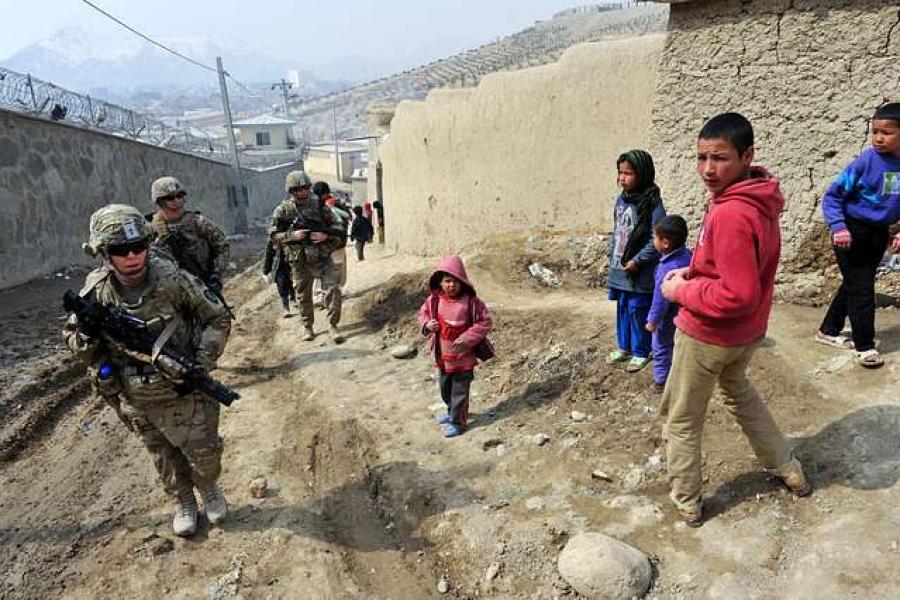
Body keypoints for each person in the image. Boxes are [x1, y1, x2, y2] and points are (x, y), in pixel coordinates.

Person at [660, 112, 811, 527]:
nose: (708, 169)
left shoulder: (731, 212)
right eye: (701, 158)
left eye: (720, 158)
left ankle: (687, 500)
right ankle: (788, 468)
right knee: (740, 393)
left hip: (710, 334)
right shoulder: (758, 198)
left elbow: (736, 293)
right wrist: (692, 272)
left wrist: (680, 291)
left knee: (682, 416)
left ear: (747, 156)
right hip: (746, 334)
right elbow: (738, 266)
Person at [63, 204, 232, 537]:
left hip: (182, 386)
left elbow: (218, 317)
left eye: (139, 246)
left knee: (204, 452)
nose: (132, 256)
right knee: (164, 456)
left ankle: (209, 489)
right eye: (120, 250)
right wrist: (85, 332)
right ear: (102, 252)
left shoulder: (172, 279)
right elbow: (74, 341)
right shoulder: (97, 291)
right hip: (135, 392)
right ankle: (184, 501)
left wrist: (200, 361)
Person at [816, 102, 900, 368]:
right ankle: (865, 346)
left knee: (855, 283)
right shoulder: (865, 162)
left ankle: (828, 330)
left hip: (878, 233)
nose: (878, 137)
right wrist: (838, 227)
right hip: (850, 231)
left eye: (886, 132)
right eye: (874, 131)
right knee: (863, 288)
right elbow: (832, 197)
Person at [418, 255, 492, 438]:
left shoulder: (472, 303)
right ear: (440, 283)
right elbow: (423, 315)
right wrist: (427, 325)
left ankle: (458, 422)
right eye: (447, 281)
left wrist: (467, 338)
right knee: (445, 389)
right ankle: (452, 411)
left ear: (463, 283)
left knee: (459, 391)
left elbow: (485, 321)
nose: (452, 285)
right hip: (442, 357)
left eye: (456, 281)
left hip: (463, 358)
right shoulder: (434, 301)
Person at [606, 149, 667, 373]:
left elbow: (657, 238)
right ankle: (624, 347)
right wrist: (611, 254)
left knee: (637, 309)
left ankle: (641, 351)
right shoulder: (621, 200)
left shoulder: (652, 203)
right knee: (622, 308)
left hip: (640, 271)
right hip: (620, 268)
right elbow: (617, 230)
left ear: (642, 174)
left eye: (628, 173)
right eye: (620, 173)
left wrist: (639, 260)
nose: (622, 178)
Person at [269, 170, 345, 342]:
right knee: (303, 295)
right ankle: (308, 327)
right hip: (299, 261)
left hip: (322, 256)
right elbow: (273, 235)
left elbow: (337, 227)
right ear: (292, 191)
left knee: (333, 290)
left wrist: (326, 237)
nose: (304, 192)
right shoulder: (283, 210)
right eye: (299, 189)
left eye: (306, 188)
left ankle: (333, 326)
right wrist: (292, 236)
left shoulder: (318, 205)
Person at [148, 176, 230, 298]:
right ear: (160, 202)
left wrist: (216, 275)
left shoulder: (198, 223)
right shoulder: (152, 230)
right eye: (170, 198)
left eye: (180, 195)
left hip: (203, 284)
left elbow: (222, 247)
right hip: (171, 292)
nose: (177, 200)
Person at [645, 215, 692, 394]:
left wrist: (652, 322)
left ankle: (661, 382)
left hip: (667, 319)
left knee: (661, 347)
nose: (653, 241)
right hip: (684, 316)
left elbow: (660, 299)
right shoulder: (688, 256)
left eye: (654, 238)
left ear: (664, 243)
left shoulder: (667, 269)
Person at [311, 181, 350, 308]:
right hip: (335, 245)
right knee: (335, 270)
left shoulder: (310, 208)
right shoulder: (336, 206)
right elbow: (344, 224)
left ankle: (321, 296)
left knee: (320, 271)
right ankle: (330, 294)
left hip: (323, 246)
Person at [262, 237, 296, 317]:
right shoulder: (272, 240)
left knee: (291, 283)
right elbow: (269, 256)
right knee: (282, 284)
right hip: (279, 267)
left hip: (292, 264)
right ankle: (286, 307)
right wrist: (266, 271)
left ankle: (293, 297)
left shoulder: (291, 235)